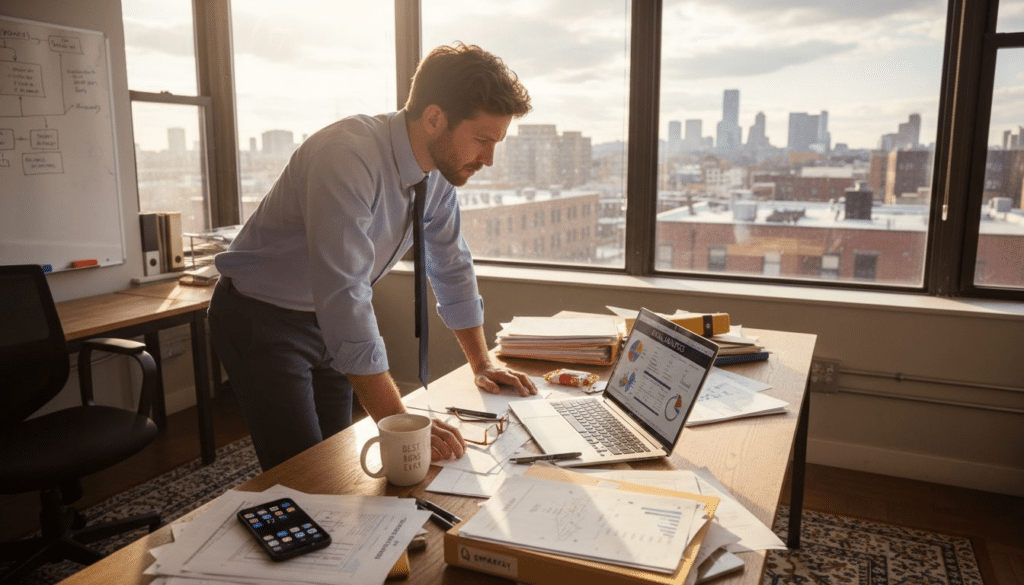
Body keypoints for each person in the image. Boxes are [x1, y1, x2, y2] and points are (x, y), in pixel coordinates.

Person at [208, 43, 537, 471]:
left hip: (327, 323)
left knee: (335, 462)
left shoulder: (436, 176)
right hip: (263, 320)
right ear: (435, 118)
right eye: (481, 140)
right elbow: (344, 295)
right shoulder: (346, 156)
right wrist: (400, 421)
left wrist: (482, 361)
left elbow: (451, 263)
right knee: (302, 473)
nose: (489, 160)